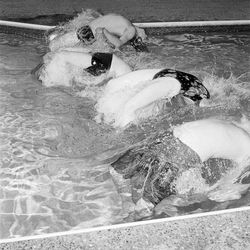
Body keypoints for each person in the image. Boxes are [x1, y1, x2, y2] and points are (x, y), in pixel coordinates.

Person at [49, 13, 148, 52]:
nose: (144, 38)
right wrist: (105, 31)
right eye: (143, 39)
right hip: (91, 34)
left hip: (85, 29)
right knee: (63, 50)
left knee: (54, 46)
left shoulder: (124, 21)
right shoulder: (132, 30)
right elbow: (118, 43)